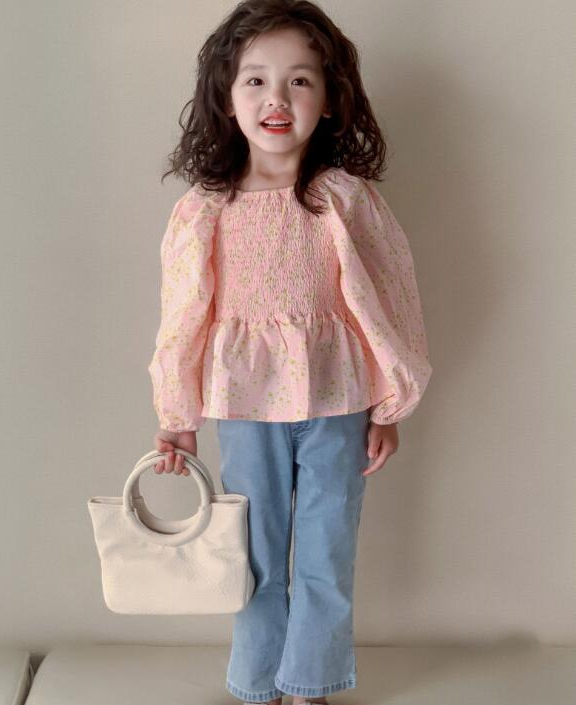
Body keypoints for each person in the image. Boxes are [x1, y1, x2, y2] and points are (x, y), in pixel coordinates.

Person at [147, 1, 433, 703]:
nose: (277, 98)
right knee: (255, 553)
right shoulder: (206, 208)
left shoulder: (345, 199)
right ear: (227, 97)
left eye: (300, 80)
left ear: (329, 99)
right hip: (245, 407)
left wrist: (389, 405)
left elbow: (388, 299)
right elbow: (183, 317)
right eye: (256, 80)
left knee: (327, 551)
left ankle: (311, 684)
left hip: (339, 401)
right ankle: (256, 683)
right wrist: (177, 415)